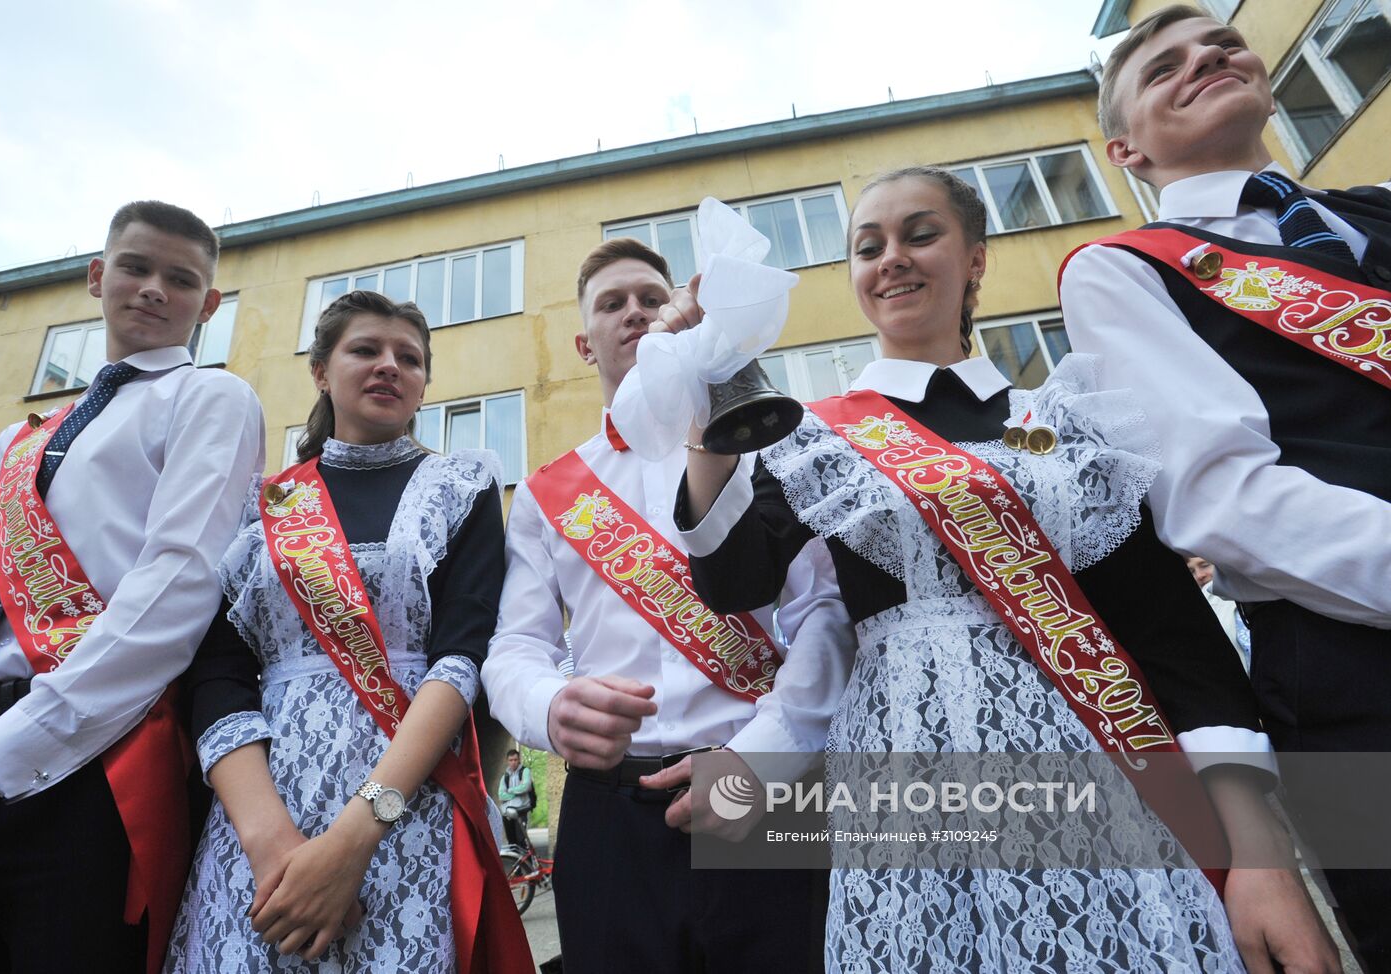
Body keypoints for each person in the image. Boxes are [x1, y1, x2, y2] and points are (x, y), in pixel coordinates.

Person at [676, 167, 1341, 973]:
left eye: (921, 234)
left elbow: (1170, 634)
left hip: (1107, 778)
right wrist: (707, 394)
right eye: (868, 247)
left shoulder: (1059, 422)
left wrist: (1257, 850)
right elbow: (733, 579)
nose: (893, 259)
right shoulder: (823, 440)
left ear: (977, 258)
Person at [1059, 5, 1391, 966]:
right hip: (1356, 664)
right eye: (1165, 67)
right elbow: (1224, 500)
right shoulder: (1124, 272)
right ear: (1125, 149)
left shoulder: (1374, 208)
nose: (1207, 57)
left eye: (1221, 44)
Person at [482, 237, 855, 974]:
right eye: (612, 304)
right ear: (585, 345)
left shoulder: (773, 446)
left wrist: (765, 757)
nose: (636, 313)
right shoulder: (550, 492)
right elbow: (513, 648)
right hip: (609, 804)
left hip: (765, 785)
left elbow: (827, 615)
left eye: (651, 297)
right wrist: (549, 706)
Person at [165, 291, 530, 973]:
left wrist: (353, 840)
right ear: (321, 371)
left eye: (410, 358)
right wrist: (273, 847)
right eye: (366, 349)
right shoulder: (261, 506)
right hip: (260, 820)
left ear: (425, 385)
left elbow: (461, 658)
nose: (390, 365)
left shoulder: (461, 486)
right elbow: (217, 677)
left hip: (405, 813)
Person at [0, 201, 265, 974]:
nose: (153, 289)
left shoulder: (211, 398)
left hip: (97, 747)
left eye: (180, 280)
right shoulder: (18, 439)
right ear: (96, 276)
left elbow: (180, 581)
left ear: (208, 306)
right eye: (137, 268)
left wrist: (18, 743)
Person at [498, 748, 534, 849]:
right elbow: (501, 794)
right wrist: (517, 792)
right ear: (507, 761)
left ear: (519, 760)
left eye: (515, 760)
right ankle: (516, 864)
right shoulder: (505, 776)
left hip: (521, 810)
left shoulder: (524, 771)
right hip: (507, 812)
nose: (513, 762)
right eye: (511, 760)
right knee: (512, 843)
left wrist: (509, 790)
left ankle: (526, 863)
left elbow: (526, 786)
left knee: (521, 840)